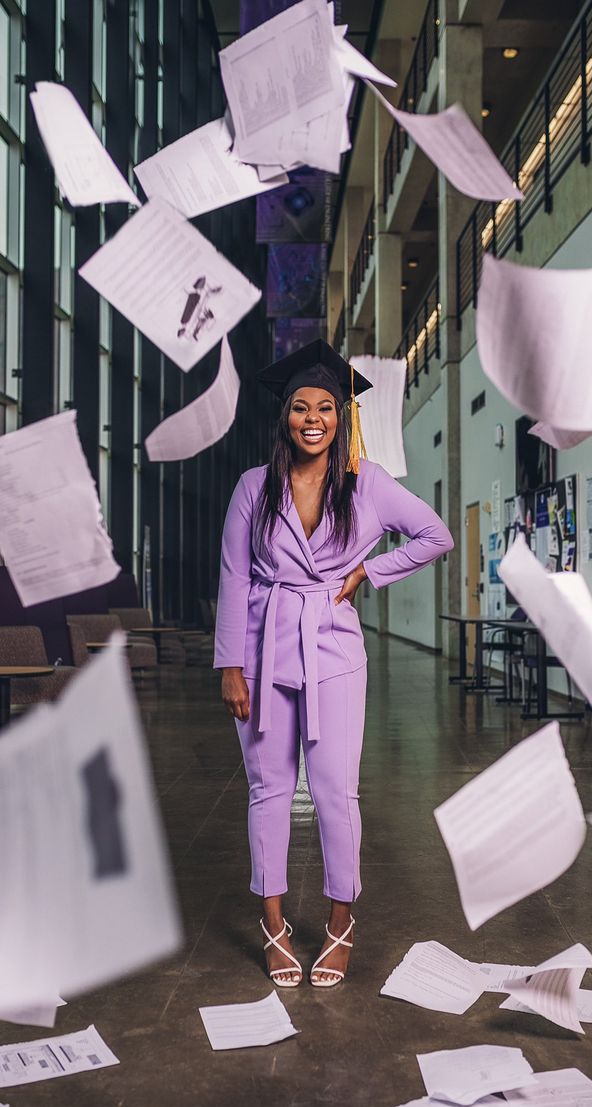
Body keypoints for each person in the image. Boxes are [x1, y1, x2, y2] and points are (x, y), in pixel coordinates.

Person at [214, 340, 453, 988]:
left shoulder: (368, 485)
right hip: (263, 654)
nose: (312, 417)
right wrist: (230, 666)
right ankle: (273, 925)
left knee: (334, 793)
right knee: (268, 790)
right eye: (300, 406)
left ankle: (341, 922)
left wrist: (369, 571)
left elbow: (436, 536)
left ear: (340, 417)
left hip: (335, 654)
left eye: (325, 406)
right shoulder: (252, 489)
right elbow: (235, 578)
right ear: (284, 416)